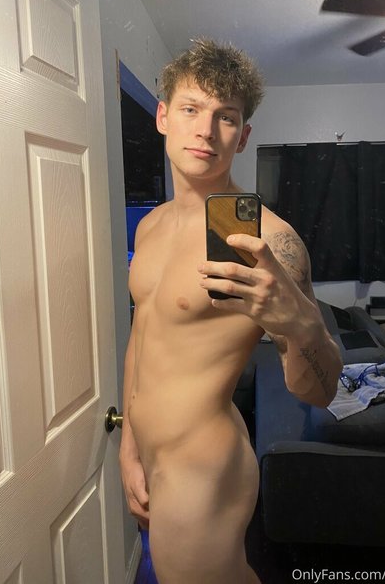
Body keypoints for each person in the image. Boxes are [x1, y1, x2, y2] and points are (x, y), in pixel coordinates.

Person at [119, 38, 343, 584]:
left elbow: (322, 391)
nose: (206, 130)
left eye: (226, 117)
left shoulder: (267, 240)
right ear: (163, 117)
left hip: (202, 466)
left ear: (242, 137)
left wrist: (299, 324)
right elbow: (143, 338)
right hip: (149, 450)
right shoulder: (151, 225)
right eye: (191, 109)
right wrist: (128, 444)